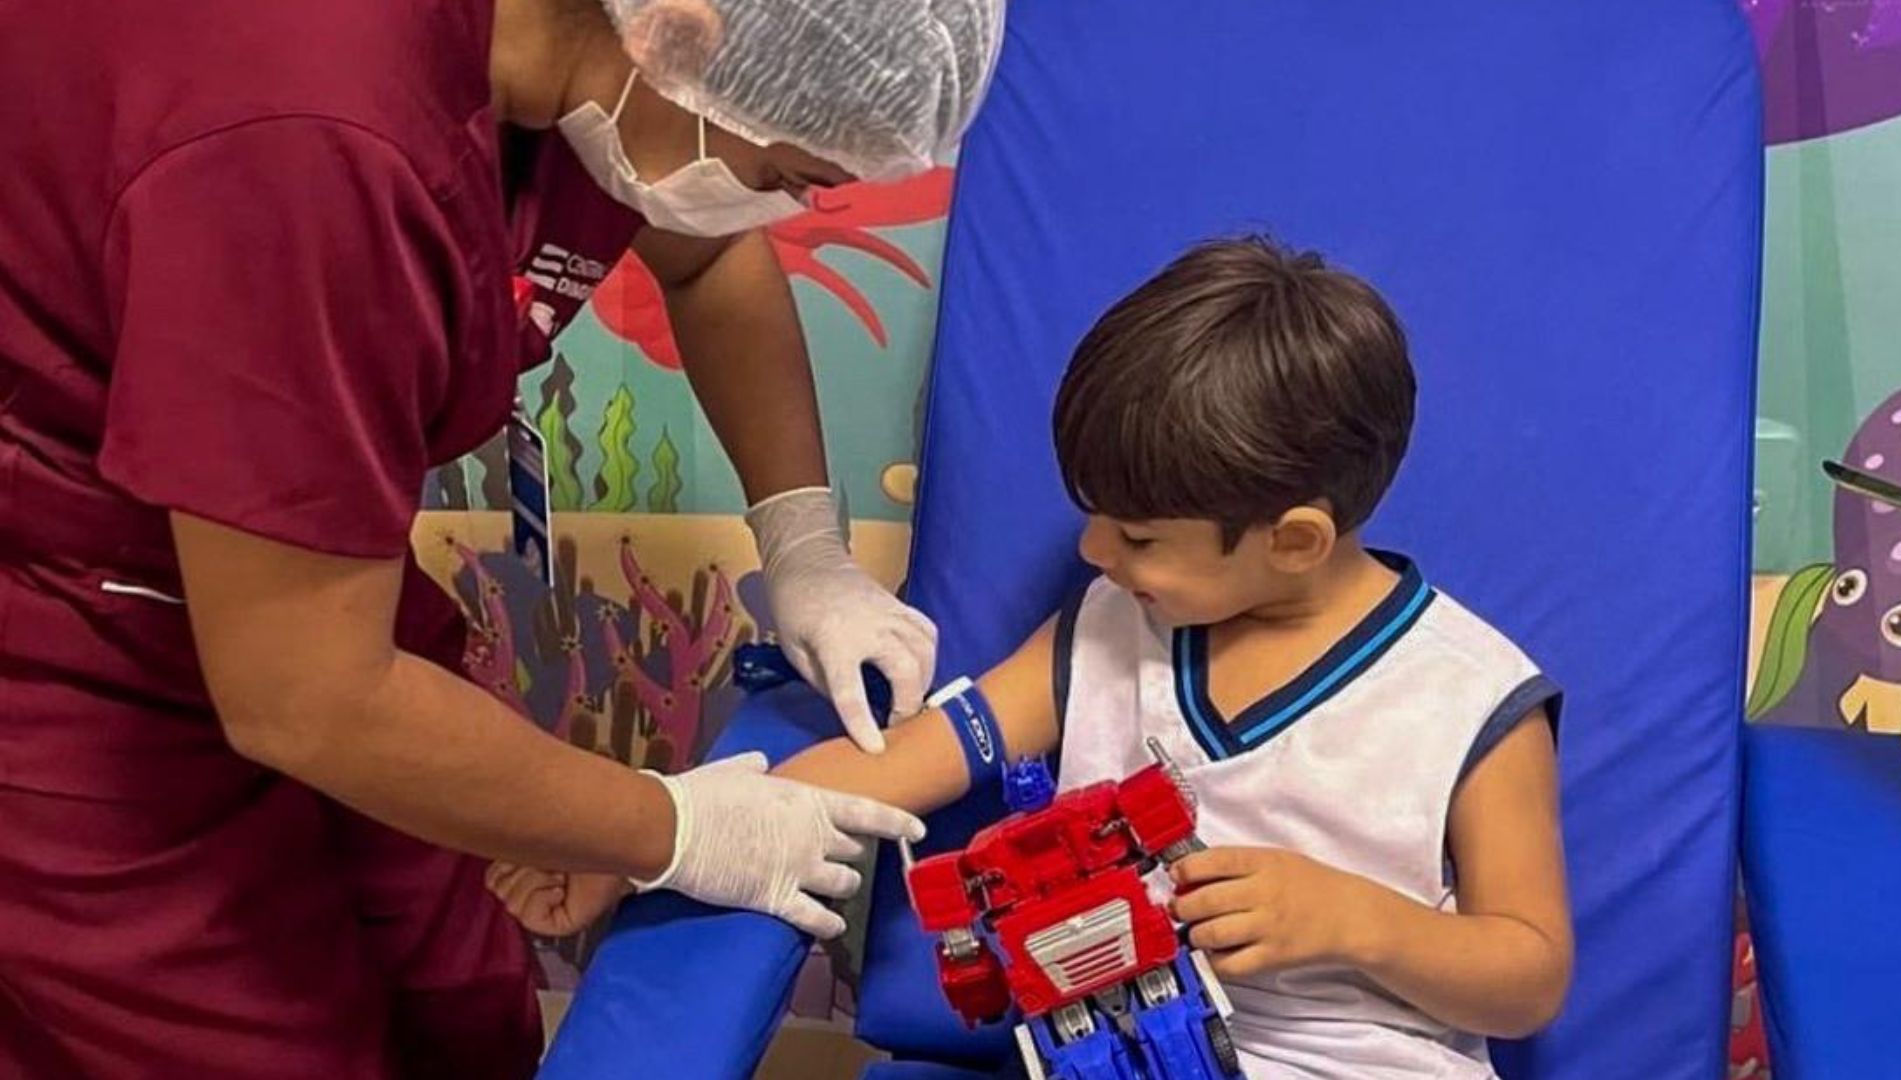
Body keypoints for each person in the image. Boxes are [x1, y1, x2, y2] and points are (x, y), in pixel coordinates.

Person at [0, 0, 1002, 1075]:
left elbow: (707, 259)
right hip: (66, 637)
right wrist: (669, 829)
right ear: (687, 29)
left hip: (309, 584)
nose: (787, 202)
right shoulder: (311, 140)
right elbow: (310, 698)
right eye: (787, 172)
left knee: (462, 994)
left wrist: (806, 544)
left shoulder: (583, 68)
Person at [492, 237, 1574, 1077]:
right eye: (1096, 520)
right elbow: (894, 767)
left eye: (1138, 538)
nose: (1098, 555)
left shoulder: (1471, 699)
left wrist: (1356, 920)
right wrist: (643, 834)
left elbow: (1527, 974)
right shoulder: (1111, 631)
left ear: (1294, 539)